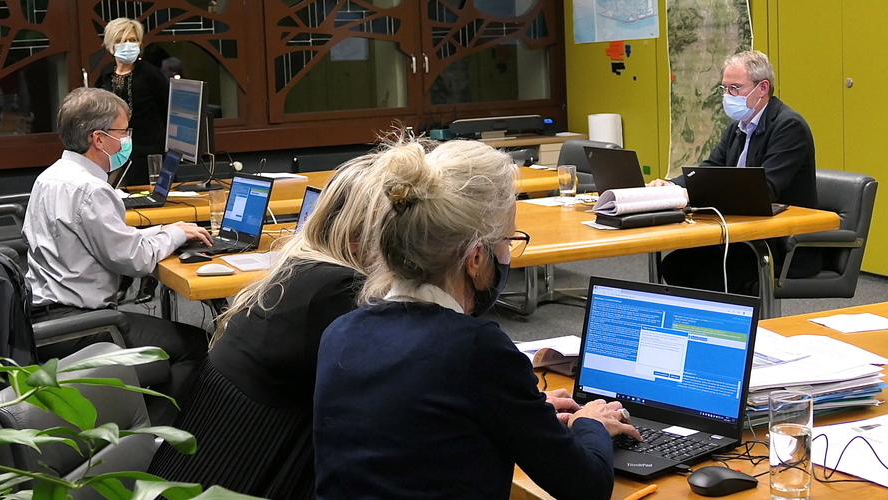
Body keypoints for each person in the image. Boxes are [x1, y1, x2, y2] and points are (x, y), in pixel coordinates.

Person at [313, 139, 640, 499]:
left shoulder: (340, 332)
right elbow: (587, 487)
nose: (508, 253)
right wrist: (590, 423)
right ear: (476, 259)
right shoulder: (475, 349)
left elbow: (414, 424)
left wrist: (524, 411)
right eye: (507, 241)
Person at [146, 154, 387, 499]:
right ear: (363, 235)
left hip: (197, 475)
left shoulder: (302, 268)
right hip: (247, 478)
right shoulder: (337, 290)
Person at [24, 87, 211, 424]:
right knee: (197, 346)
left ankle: (139, 419)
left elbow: (108, 241)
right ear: (98, 138)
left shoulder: (51, 177)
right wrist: (175, 234)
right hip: (80, 323)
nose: (128, 139)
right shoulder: (91, 189)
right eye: (124, 131)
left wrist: (168, 231)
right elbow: (134, 260)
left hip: (44, 314)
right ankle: (153, 438)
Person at [649, 50, 819, 295]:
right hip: (742, 236)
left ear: (762, 88)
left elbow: (766, 189)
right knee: (676, 265)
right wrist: (672, 186)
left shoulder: (788, 126)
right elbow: (711, 168)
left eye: (735, 88)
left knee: (705, 273)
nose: (728, 96)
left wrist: (693, 194)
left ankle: (739, 318)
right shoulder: (737, 128)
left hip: (780, 245)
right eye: (725, 88)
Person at [97, 17, 170, 188]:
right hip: (115, 152)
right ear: (111, 45)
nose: (128, 45)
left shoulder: (151, 74)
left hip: (149, 154)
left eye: (133, 40)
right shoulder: (106, 73)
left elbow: (168, 108)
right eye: (121, 41)